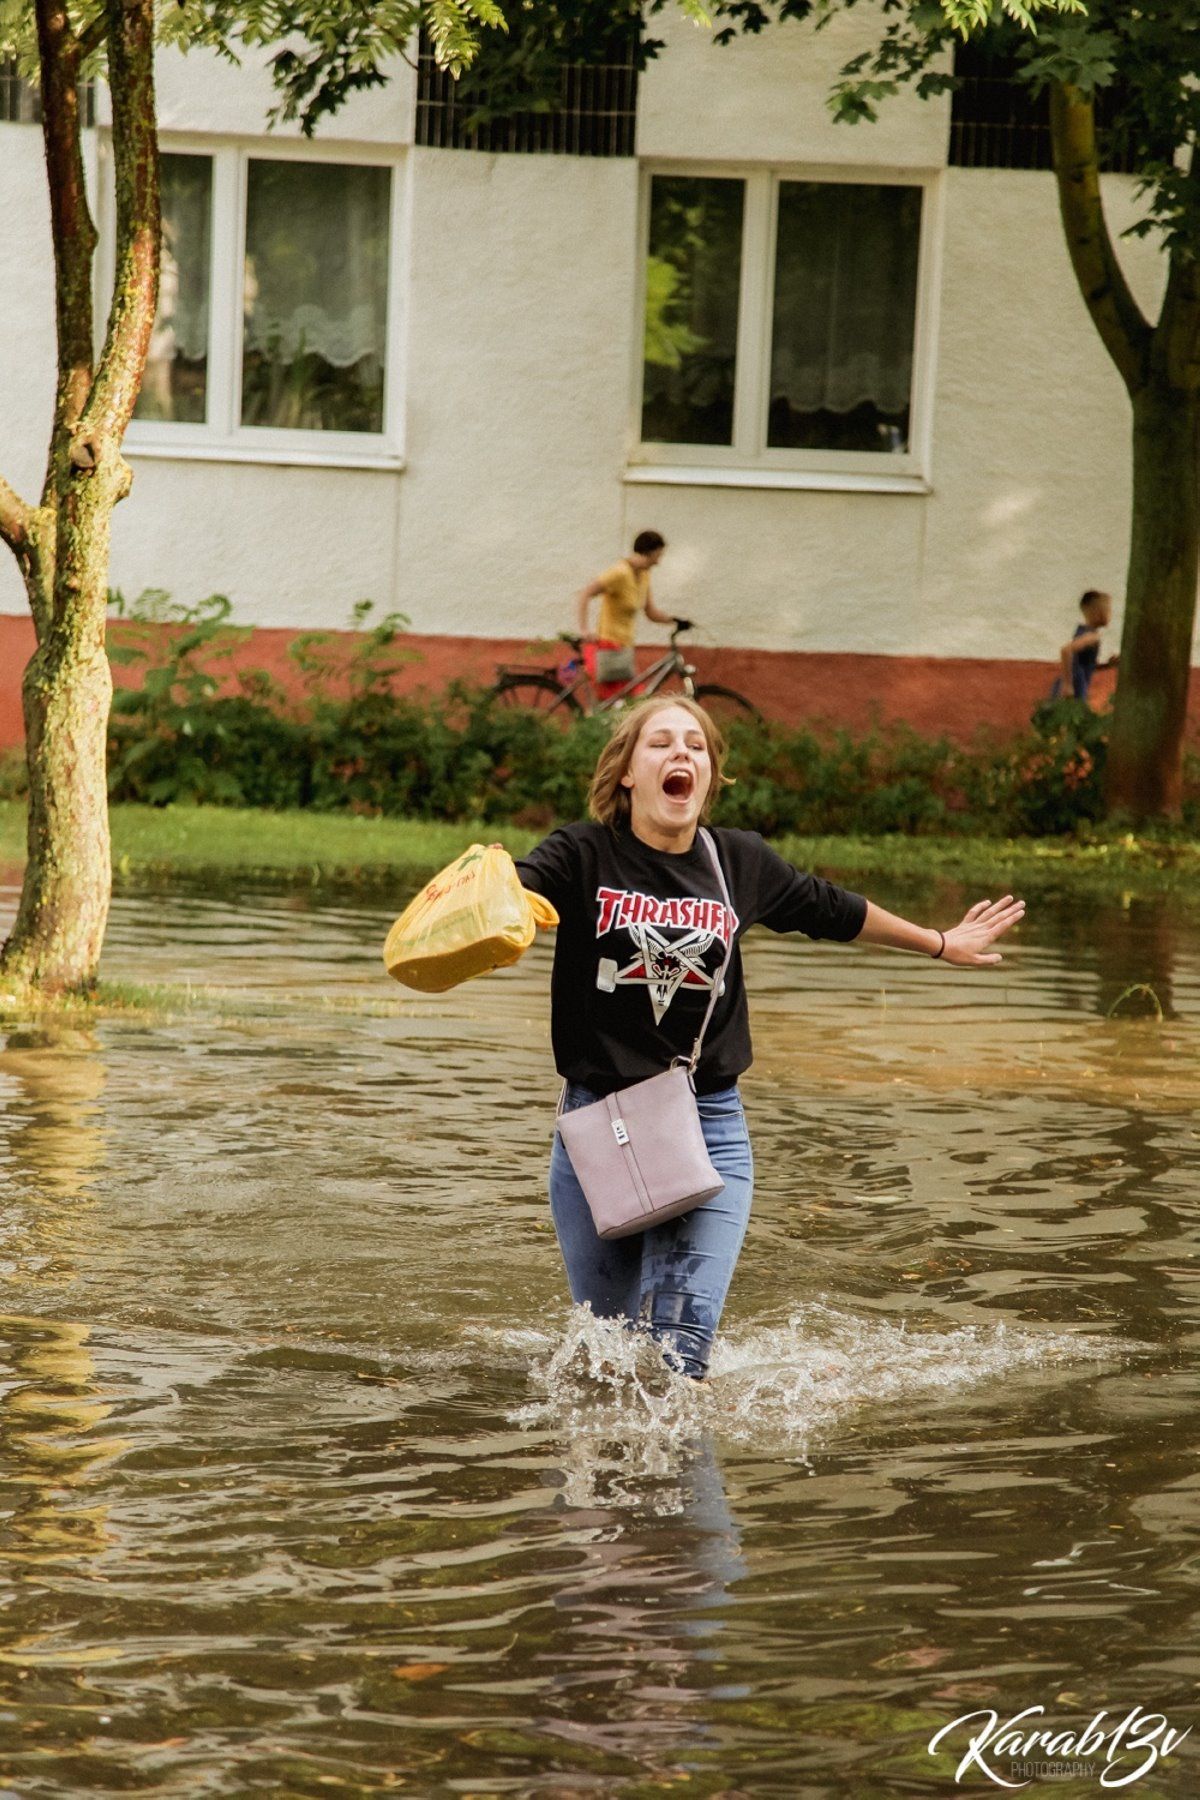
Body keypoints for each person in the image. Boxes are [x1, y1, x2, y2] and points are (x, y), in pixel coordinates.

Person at [514, 696, 1025, 1384]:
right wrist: (485, 899)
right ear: (627, 772)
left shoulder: (736, 862)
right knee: (607, 1355)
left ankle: (684, 1451)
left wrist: (939, 942)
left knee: (678, 1359)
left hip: (708, 1124)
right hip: (598, 1127)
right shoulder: (582, 853)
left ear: (709, 774)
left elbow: (831, 908)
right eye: (660, 743)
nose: (681, 753)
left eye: (696, 745)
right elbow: (514, 892)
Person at [576, 530, 684, 701]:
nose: (658, 562)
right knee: (630, 701)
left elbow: (650, 612)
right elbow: (585, 593)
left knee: (621, 702)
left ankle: (595, 717)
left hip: (625, 646)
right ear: (649, 552)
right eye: (658, 555)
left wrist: (675, 620)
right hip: (609, 645)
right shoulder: (619, 573)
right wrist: (584, 629)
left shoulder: (644, 575)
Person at [1051, 589, 1119, 702]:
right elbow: (1066, 650)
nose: (1110, 614)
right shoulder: (1091, 637)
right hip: (1075, 686)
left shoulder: (1084, 632)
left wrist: (1108, 665)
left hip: (1076, 684)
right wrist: (1067, 684)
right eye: (1108, 610)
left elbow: (1084, 665)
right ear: (1097, 612)